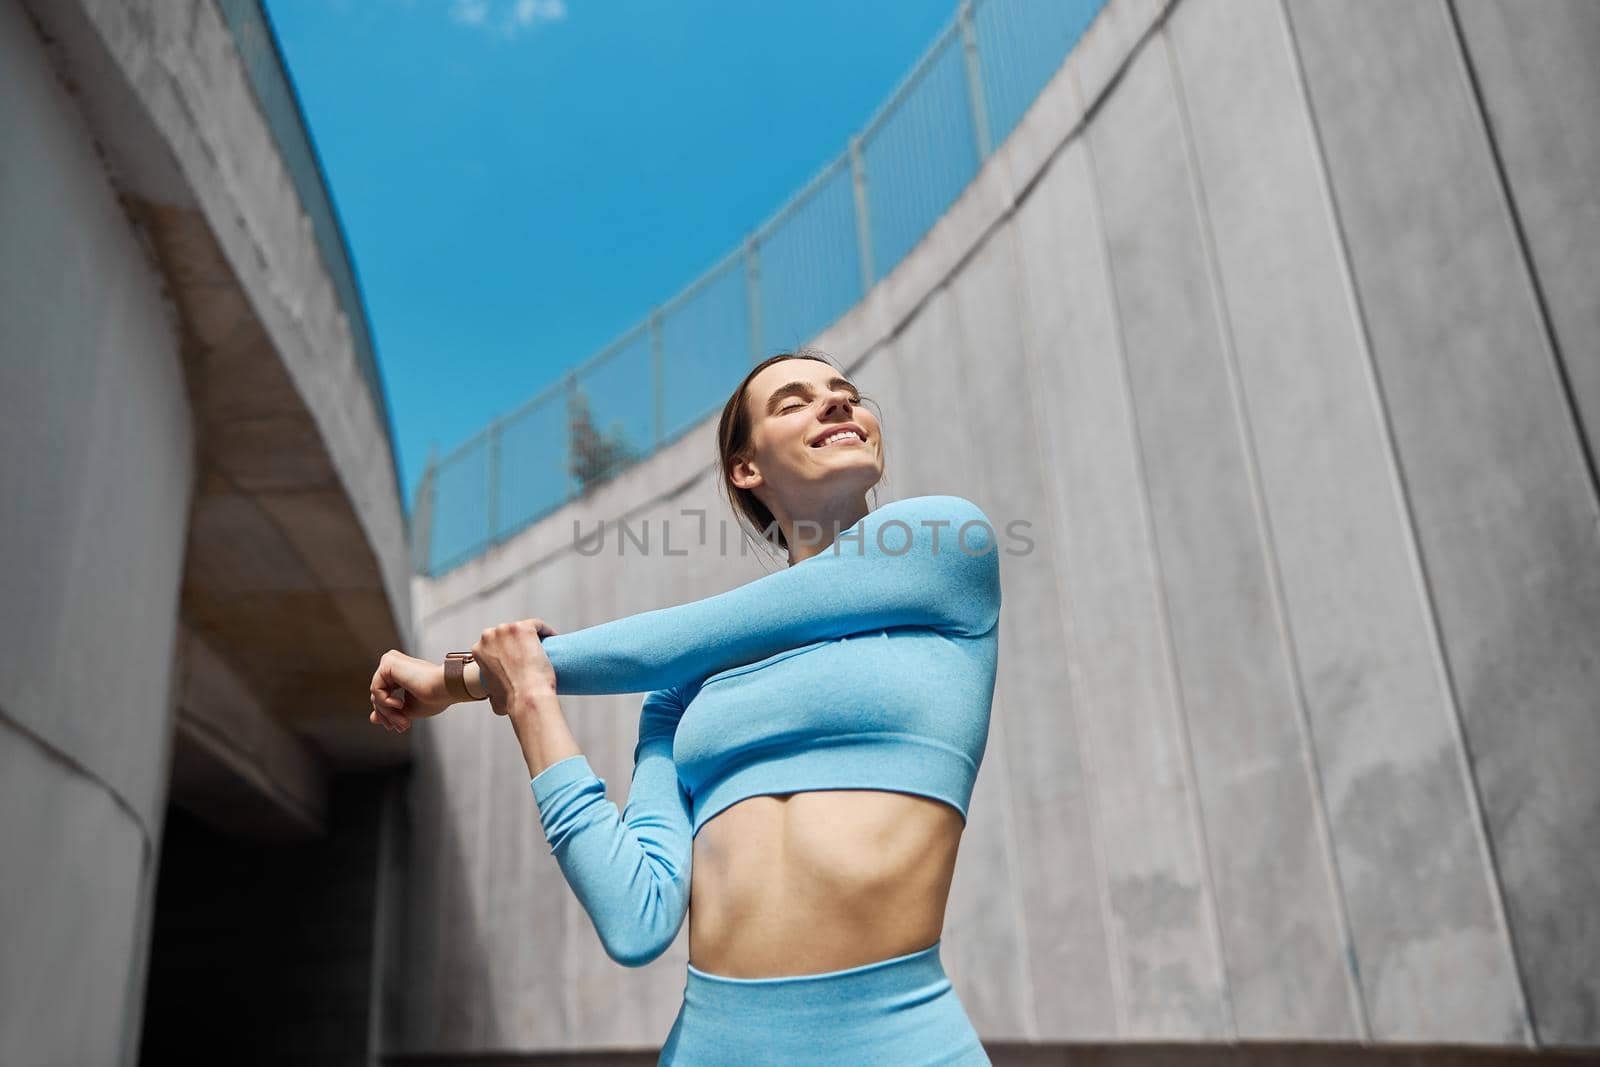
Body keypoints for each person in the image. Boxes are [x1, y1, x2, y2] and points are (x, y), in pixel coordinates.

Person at [368, 349, 1001, 1065]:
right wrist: (530, 700)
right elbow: (636, 920)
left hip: (901, 1041)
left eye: (847, 394)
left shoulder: (950, 548)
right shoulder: (686, 690)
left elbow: (700, 630)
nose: (836, 405)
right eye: (793, 402)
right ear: (746, 468)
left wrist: (461, 679)